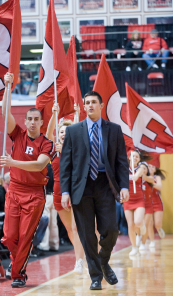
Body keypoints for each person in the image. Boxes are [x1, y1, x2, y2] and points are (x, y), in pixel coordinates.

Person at [60, 91, 129, 290]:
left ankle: (103, 261)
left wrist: (124, 186)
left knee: (111, 230)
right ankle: (96, 277)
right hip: (80, 188)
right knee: (87, 235)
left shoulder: (114, 130)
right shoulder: (73, 131)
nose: (90, 105)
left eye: (93, 102)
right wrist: (65, 191)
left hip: (104, 184)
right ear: (84, 106)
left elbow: (121, 162)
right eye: (87, 102)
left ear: (101, 104)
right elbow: (66, 165)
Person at [0, 72, 55, 288]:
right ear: (25, 121)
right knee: (9, 235)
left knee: (25, 236)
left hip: (34, 194)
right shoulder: (18, 134)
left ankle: (18, 275)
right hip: (14, 190)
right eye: (29, 119)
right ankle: (15, 264)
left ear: (41, 122)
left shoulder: (47, 143)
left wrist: (12, 163)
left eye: (36, 119)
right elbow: (5, 112)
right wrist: (7, 86)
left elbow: (40, 165)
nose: (32, 122)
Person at [46, 103, 86, 275]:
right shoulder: (53, 150)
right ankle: (81, 257)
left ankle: (80, 261)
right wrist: (54, 114)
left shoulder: (78, 149)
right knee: (70, 230)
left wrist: (77, 115)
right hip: (57, 193)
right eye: (61, 131)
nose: (63, 133)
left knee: (78, 228)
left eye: (66, 131)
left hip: (76, 192)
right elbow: (48, 135)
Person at [124, 150, 150, 256]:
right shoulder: (124, 168)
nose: (135, 158)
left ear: (139, 159)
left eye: (137, 157)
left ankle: (142, 226)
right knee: (130, 225)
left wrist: (137, 175)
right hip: (128, 200)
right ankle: (134, 247)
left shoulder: (141, 167)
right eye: (133, 156)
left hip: (139, 199)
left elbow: (141, 171)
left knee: (138, 222)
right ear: (129, 157)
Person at [38, 162, 60, 253]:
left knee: (45, 220)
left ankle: (44, 245)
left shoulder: (43, 167)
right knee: (54, 222)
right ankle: (54, 244)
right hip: (54, 195)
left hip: (46, 195)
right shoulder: (55, 166)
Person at [148, 164, 166, 247]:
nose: (151, 168)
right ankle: (152, 241)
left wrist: (151, 183)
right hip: (147, 202)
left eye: (153, 167)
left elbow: (159, 187)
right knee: (149, 223)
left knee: (157, 224)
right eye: (149, 166)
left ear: (155, 170)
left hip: (157, 202)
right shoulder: (144, 177)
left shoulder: (157, 177)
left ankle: (159, 229)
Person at [139, 162, 154, 252]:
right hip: (138, 205)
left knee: (146, 224)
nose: (143, 169)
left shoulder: (150, 178)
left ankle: (143, 243)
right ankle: (137, 238)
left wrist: (138, 174)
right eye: (141, 168)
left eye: (144, 168)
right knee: (137, 224)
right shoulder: (135, 179)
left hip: (148, 206)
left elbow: (148, 178)